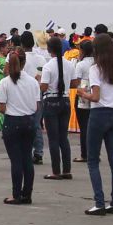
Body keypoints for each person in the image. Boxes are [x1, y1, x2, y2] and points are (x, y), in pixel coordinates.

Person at [76, 34, 113, 217]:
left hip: (98, 114)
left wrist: (83, 93)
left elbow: (96, 96)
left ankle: (99, 202)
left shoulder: (96, 69)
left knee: (93, 160)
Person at [0, 50, 39, 204]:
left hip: (12, 121)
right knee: (27, 157)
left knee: (16, 160)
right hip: (29, 121)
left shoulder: (5, 82)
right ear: (24, 63)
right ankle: (27, 194)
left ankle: (16, 194)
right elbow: (36, 105)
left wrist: (13, 111)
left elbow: (1, 107)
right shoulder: (33, 82)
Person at [39, 32, 73, 181]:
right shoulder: (69, 64)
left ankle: (56, 171)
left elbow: (44, 87)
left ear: (49, 49)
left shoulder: (48, 66)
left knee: (53, 138)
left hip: (51, 101)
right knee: (63, 137)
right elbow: (75, 83)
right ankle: (66, 170)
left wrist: (39, 79)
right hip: (65, 100)